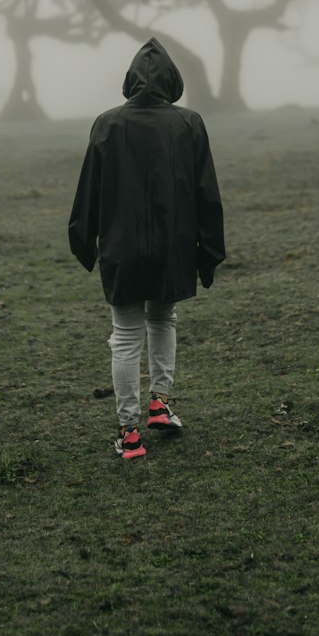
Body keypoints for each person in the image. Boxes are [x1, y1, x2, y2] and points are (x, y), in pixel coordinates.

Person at [68, 37, 226, 459]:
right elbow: (206, 192)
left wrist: (83, 240)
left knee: (125, 336)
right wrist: (208, 249)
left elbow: (89, 189)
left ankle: (130, 433)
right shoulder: (190, 123)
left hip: (122, 247)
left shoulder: (107, 123)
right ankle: (159, 401)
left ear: (130, 80)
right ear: (172, 80)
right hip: (174, 247)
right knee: (163, 317)